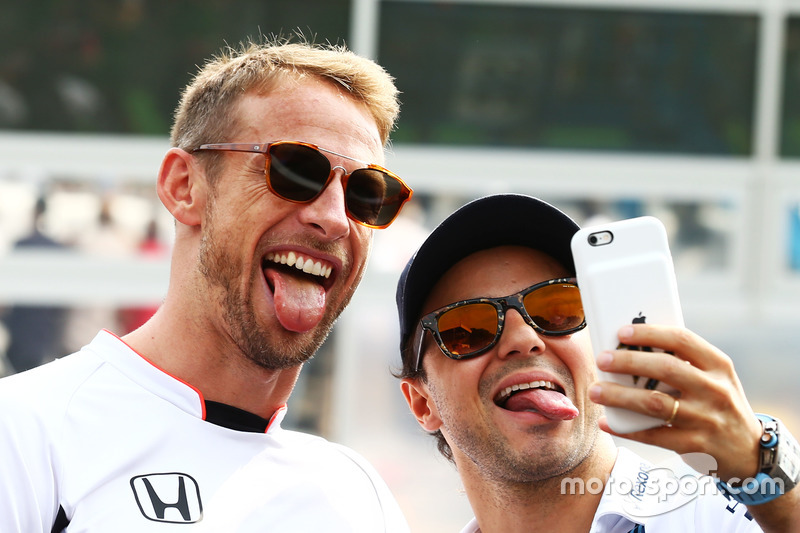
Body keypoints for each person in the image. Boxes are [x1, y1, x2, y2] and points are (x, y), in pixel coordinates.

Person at [0, 37, 413, 532]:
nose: (334, 219)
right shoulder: (27, 434)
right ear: (184, 187)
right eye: (295, 170)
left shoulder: (355, 496)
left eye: (367, 194)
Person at [395, 194, 800, 533]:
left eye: (558, 308)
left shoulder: (715, 518)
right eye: (468, 328)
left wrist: (764, 469)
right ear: (422, 404)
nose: (524, 339)